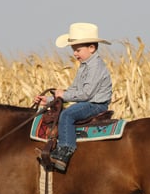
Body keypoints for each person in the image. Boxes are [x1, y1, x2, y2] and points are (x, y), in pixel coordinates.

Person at [34, 22, 113, 172]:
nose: (75, 54)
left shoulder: (95, 66)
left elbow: (86, 93)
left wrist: (64, 94)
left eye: (78, 50)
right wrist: (50, 100)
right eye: (73, 50)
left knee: (67, 114)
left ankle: (65, 151)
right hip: (87, 102)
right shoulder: (85, 65)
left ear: (92, 48)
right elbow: (75, 90)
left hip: (95, 104)